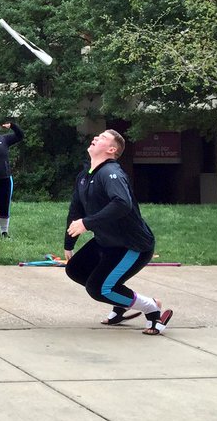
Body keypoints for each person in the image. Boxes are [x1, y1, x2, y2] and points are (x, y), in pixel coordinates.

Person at [64, 128, 173, 335]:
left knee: (99, 289)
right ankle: (122, 302)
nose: (95, 137)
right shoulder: (84, 177)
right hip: (107, 242)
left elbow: (122, 204)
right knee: (75, 270)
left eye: (103, 137)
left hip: (132, 246)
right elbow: (75, 211)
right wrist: (69, 243)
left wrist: (87, 224)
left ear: (112, 149)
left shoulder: (110, 173)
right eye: (97, 135)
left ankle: (151, 307)